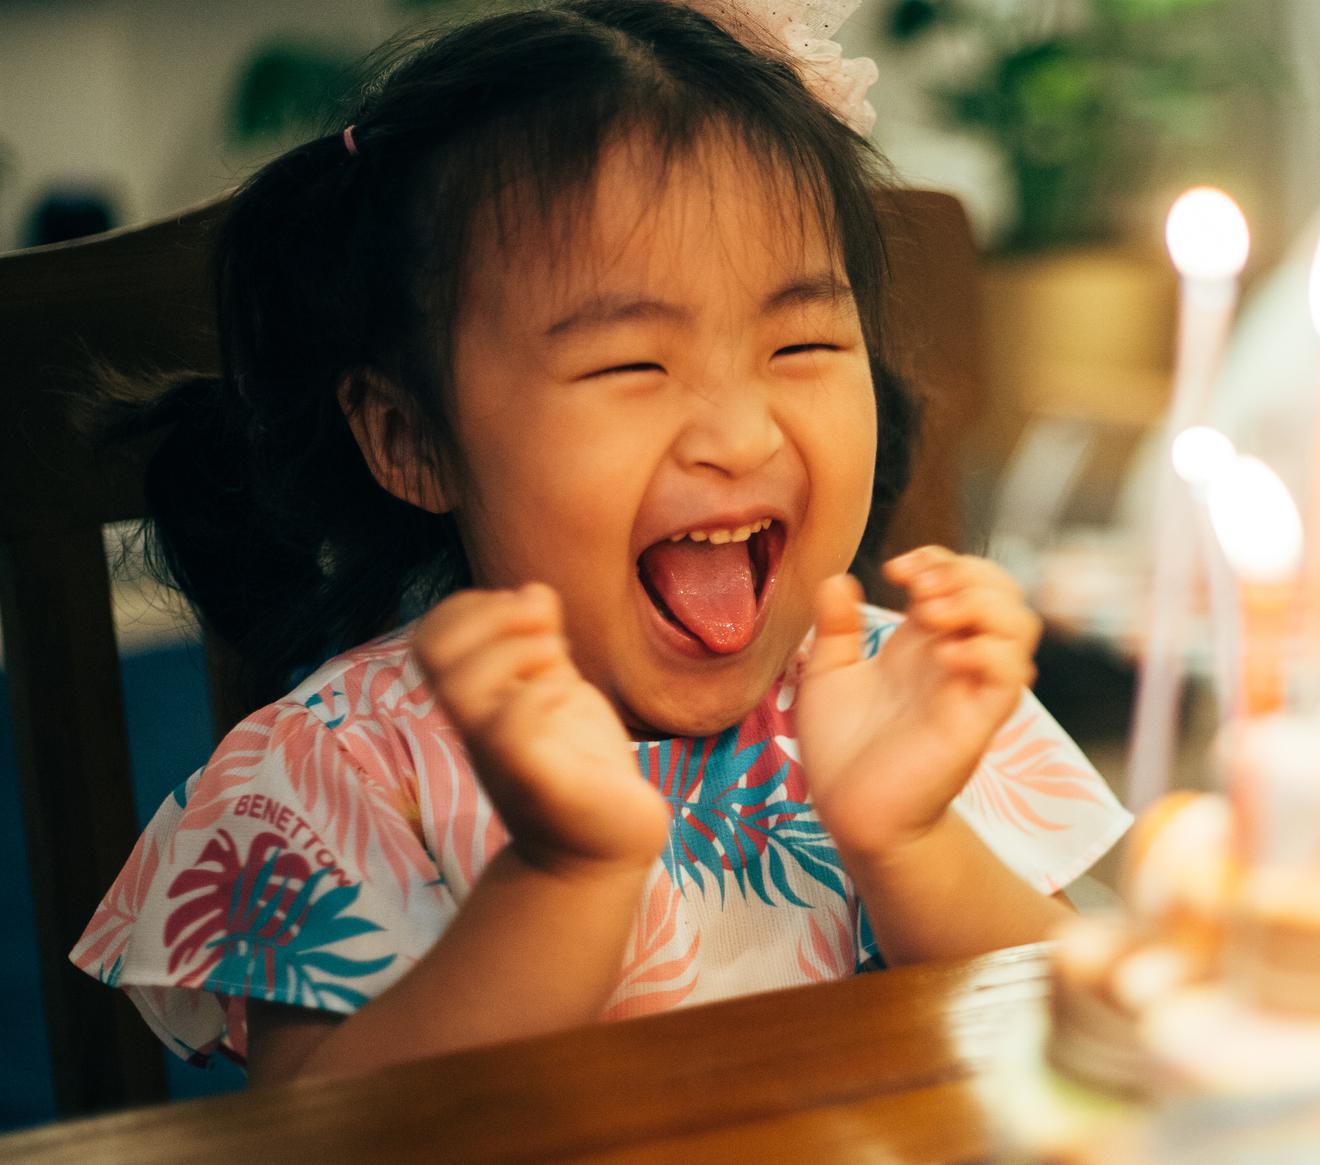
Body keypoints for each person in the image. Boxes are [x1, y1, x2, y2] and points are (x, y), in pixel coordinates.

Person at [69, 0, 1128, 1085]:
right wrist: (561, 880)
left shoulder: (905, 702)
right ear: (411, 440)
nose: (739, 432)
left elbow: (1095, 1054)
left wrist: (909, 838)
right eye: (631, 365)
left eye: (802, 340)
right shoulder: (343, 769)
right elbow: (321, 1142)